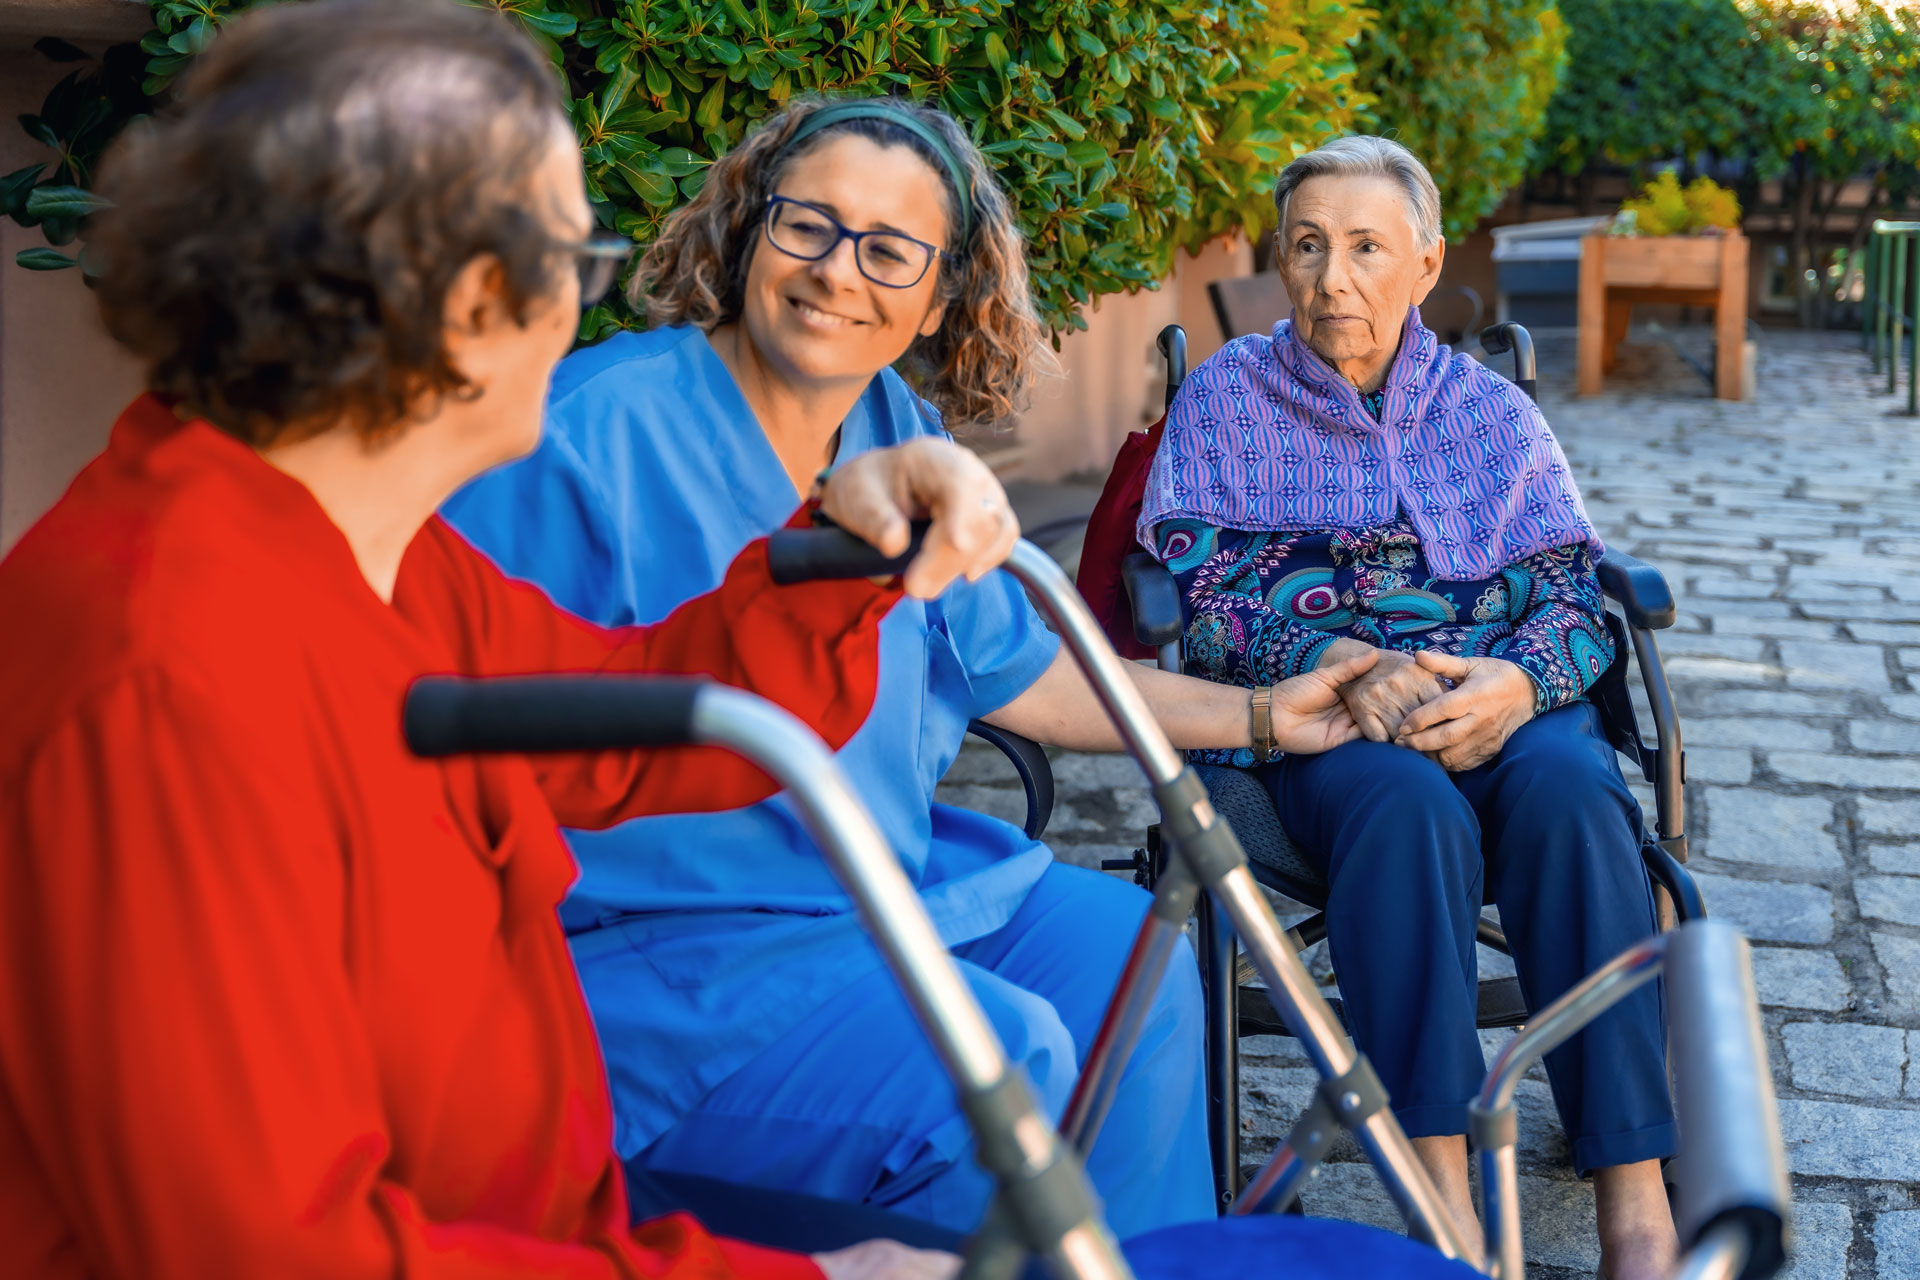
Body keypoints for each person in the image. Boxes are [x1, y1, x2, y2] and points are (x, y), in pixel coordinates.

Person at [0, 4, 1026, 1276]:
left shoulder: (365, 549)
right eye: (573, 255)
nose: (578, 309)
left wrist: (840, 548)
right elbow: (266, 1250)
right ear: (479, 297)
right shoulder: (165, 671)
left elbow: (636, 715)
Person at [443, 96, 1377, 1234]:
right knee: (1009, 1061)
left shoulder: (893, 426)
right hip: (663, 951)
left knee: (1130, 955)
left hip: (879, 894)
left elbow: (1029, 673)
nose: (839, 272)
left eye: (889, 249)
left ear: (941, 292)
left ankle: (1137, 1259)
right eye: (807, 227)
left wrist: (1266, 713)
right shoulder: (589, 436)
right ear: (748, 232)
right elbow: (465, 730)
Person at [1138, 135, 1678, 1280]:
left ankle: (1637, 1198)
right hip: (1321, 720)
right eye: (1309, 246)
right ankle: (1442, 1196)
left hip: (1500, 700)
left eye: (1368, 248)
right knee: (1404, 807)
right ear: (1282, 262)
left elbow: (1578, 599)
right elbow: (1200, 595)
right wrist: (1340, 655)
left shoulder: (1491, 412)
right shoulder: (1229, 395)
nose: (1335, 278)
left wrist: (1520, 682)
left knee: (1579, 792)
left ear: (1426, 266)